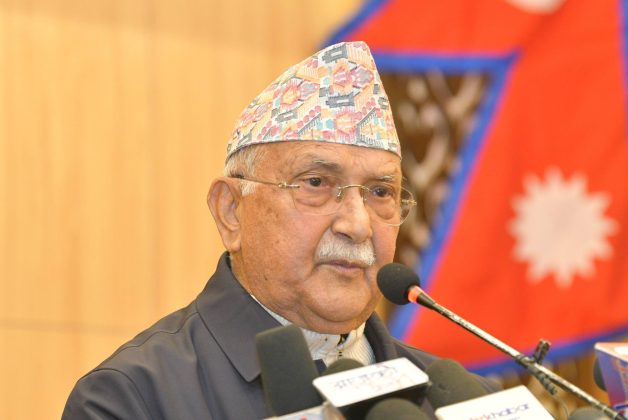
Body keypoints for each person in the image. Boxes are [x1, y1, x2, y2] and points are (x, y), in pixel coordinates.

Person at [63, 41, 497, 419]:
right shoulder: (134, 398)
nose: (357, 225)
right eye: (316, 183)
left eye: (381, 192)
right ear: (231, 211)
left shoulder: (462, 402)